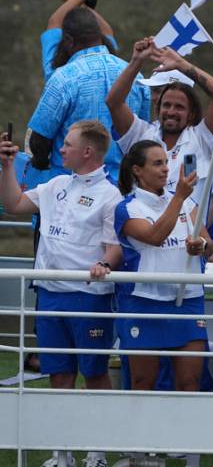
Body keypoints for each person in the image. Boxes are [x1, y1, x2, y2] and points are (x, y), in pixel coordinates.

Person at [0, 121, 122, 467]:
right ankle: (62, 454)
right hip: (49, 295)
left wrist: (103, 263)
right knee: (59, 375)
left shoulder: (110, 195)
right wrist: (7, 166)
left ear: (87, 152)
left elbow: (115, 249)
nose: (60, 149)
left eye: (67, 145)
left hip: (89, 297)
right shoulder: (54, 184)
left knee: (95, 373)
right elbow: (15, 204)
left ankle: (97, 452)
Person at [113, 140, 213, 393]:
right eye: (157, 163)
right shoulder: (126, 208)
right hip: (145, 302)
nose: (165, 169)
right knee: (143, 383)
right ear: (138, 170)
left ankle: (184, 433)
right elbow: (155, 236)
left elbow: (210, 245)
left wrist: (200, 245)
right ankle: (142, 433)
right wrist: (179, 197)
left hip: (187, 299)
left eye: (166, 163)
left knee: (190, 382)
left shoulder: (188, 204)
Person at [108, 40, 213, 232]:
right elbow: (113, 102)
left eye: (179, 107)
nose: (171, 111)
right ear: (158, 107)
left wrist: (182, 65)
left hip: (187, 245)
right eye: (166, 105)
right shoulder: (141, 134)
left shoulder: (203, 138)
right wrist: (136, 61)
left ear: (191, 113)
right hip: (144, 235)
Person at [28, 8, 152, 181]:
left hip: (69, 189)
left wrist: (41, 164)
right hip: (120, 189)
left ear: (69, 40)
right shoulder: (135, 76)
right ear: (100, 36)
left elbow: (39, 141)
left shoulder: (64, 77)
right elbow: (142, 137)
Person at [41, 0, 116, 82]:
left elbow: (55, 22)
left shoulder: (56, 75)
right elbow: (106, 30)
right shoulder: (120, 72)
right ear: (100, 37)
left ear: (69, 40)